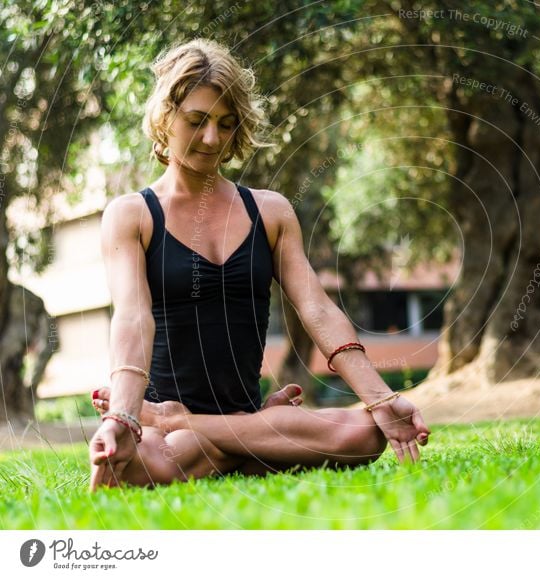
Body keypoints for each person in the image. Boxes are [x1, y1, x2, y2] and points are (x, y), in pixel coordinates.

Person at [88, 39, 430, 491]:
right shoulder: (132, 215)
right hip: (190, 431)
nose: (212, 139)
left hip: (229, 418)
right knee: (125, 466)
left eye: (226, 125)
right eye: (197, 121)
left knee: (367, 432)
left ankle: (195, 428)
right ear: (165, 118)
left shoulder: (269, 212)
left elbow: (316, 308)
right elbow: (132, 319)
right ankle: (247, 441)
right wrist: (125, 418)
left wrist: (381, 397)